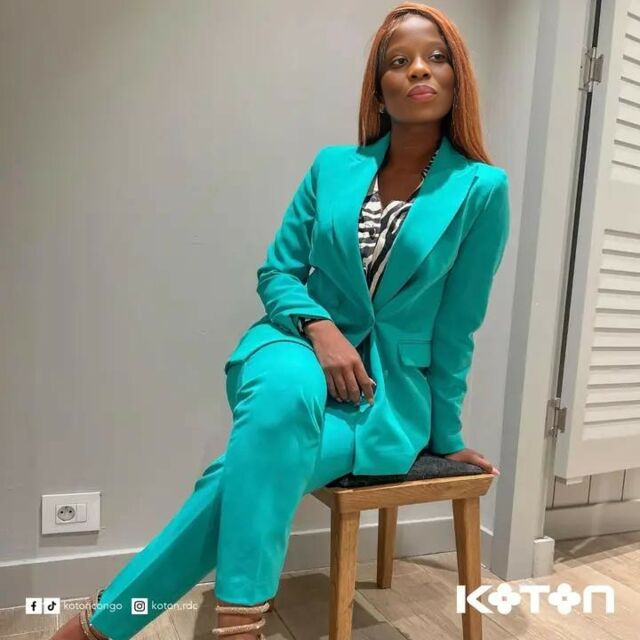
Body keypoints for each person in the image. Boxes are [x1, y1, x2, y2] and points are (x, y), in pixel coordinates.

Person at [50, 3, 509, 640]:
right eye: (398, 61)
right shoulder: (333, 167)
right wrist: (321, 330)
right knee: (284, 398)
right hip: (293, 345)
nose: (418, 71)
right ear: (378, 88)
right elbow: (278, 272)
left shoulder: (482, 189)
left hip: (381, 395)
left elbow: (458, 326)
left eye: (436, 57)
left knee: (244, 472)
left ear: (458, 78)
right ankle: (241, 624)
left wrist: (445, 433)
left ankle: (103, 626)